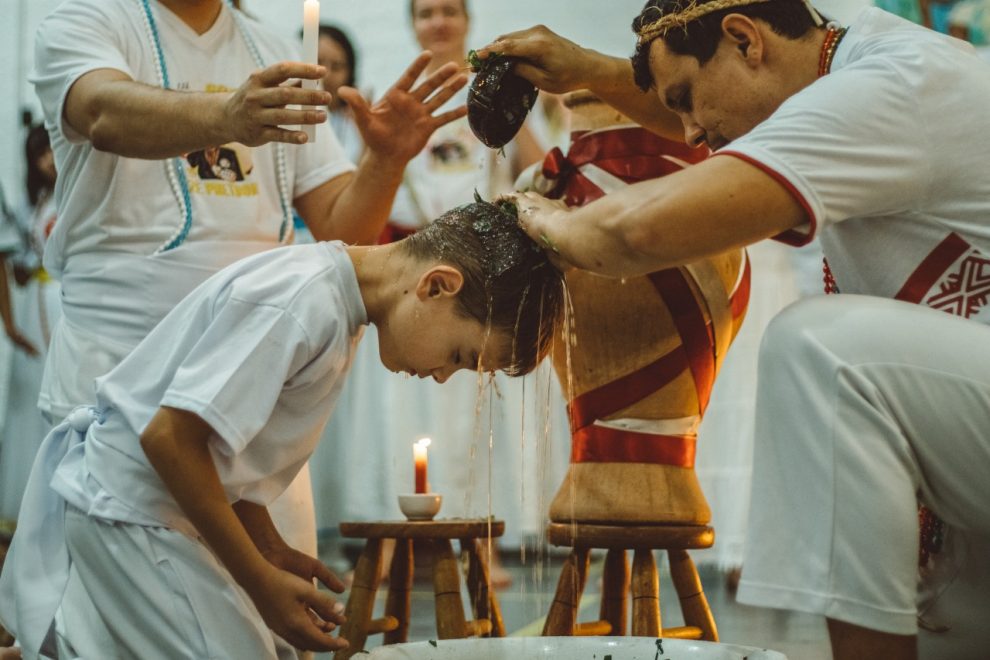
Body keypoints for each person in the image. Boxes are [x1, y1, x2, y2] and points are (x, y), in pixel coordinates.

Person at [479, 1, 990, 658]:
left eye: (687, 99)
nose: (688, 132)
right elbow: (729, 104)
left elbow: (640, 231)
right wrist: (589, 69)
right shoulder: (834, 45)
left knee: (821, 351)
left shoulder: (886, 87)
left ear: (745, 38)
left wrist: (530, 213)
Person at [0, 197, 564, 660]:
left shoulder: (334, 300)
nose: (442, 377)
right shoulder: (304, 306)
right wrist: (257, 583)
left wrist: (266, 546)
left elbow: (223, 447)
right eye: (461, 356)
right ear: (437, 285)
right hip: (134, 513)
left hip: (151, 512)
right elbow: (169, 438)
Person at [31, 0, 466, 562]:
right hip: (119, 360)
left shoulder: (274, 48)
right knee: (129, 623)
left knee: (268, 621)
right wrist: (228, 115)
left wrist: (385, 160)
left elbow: (340, 225)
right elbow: (101, 115)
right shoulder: (88, 20)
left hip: (250, 382)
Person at [314, 0, 571, 571]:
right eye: (426, 12)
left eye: (449, 10)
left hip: (479, 280)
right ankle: (385, 548)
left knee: (474, 418)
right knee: (400, 417)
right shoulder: (393, 95)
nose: (438, 22)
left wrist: (512, 106)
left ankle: (482, 549)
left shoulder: (501, 95)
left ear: (467, 21)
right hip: (416, 276)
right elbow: (367, 184)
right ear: (413, 25)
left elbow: (545, 171)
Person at [0, 126, 61, 527]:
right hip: (38, 305)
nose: (47, 162)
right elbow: (18, 262)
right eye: (39, 155)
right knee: (31, 397)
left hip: (63, 302)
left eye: (50, 151)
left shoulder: (75, 194)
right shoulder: (35, 202)